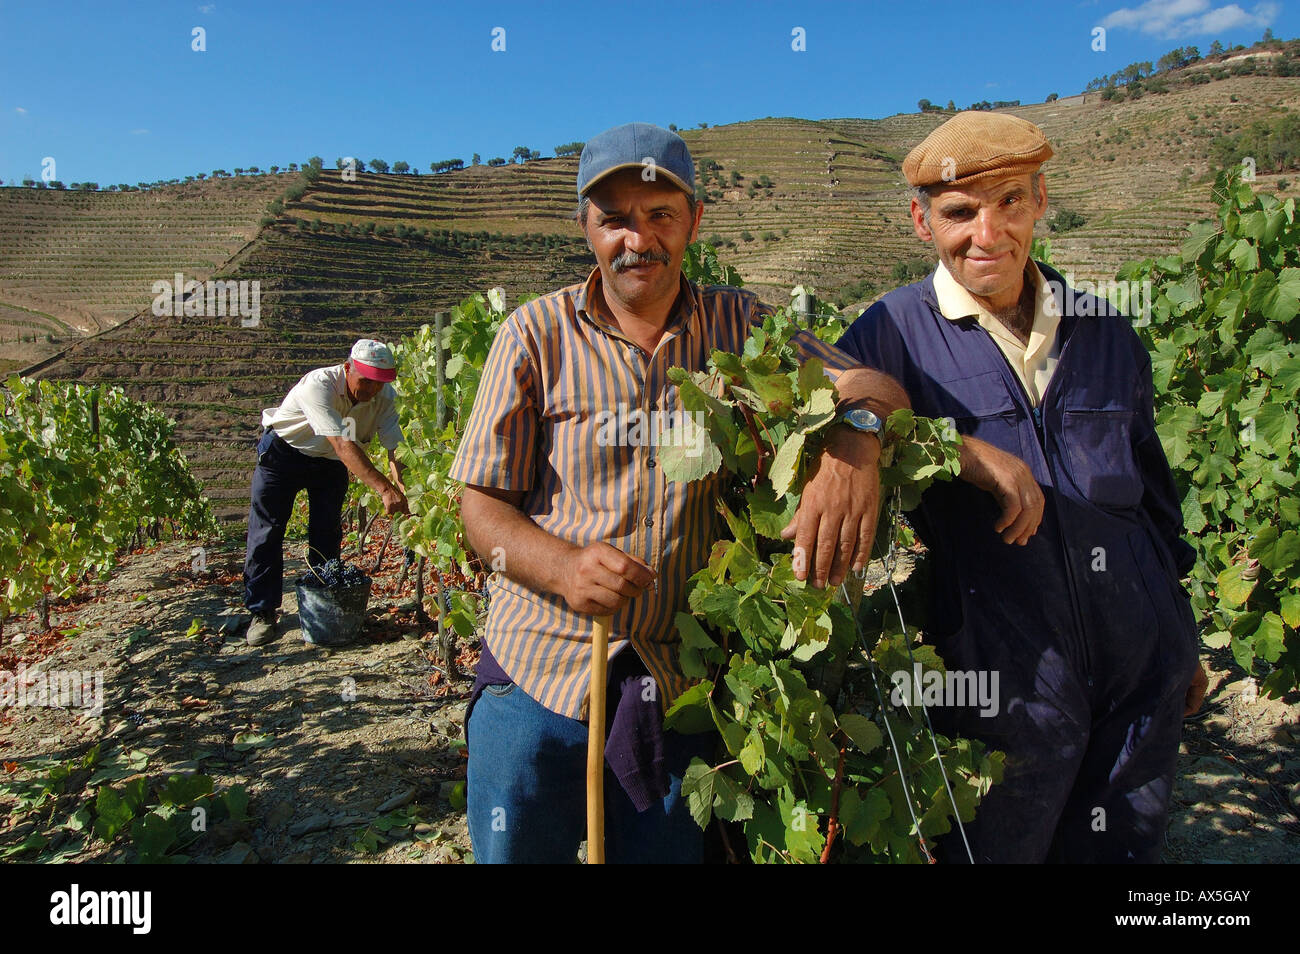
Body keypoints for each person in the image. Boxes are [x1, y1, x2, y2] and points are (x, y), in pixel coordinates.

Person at [449, 122, 910, 863]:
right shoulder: (532, 335)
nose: (639, 238)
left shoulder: (743, 325)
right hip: (540, 669)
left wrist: (854, 440)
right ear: (586, 230)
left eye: (660, 215)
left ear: (694, 222)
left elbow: (872, 384)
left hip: (676, 681)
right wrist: (563, 568)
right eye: (615, 220)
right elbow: (481, 508)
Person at [835, 111, 1209, 863]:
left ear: (1040, 199)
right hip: (1004, 689)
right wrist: (958, 448)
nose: (988, 232)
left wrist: (1183, 638)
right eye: (959, 212)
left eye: (1009, 201)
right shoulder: (893, 331)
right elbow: (836, 401)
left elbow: (1155, 506)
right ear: (921, 220)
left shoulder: (1105, 331)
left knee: (1121, 852)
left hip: (1141, 668)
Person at [242, 339, 410, 646]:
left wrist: (404, 490)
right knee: (267, 532)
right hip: (285, 454)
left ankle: (324, 601)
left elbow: (394, 449)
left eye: (379, 382)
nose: (372, 389)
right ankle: (262, 611)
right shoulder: (318, 385)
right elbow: (343, 444)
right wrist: (384, 489)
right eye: (365, 381)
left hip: (329, 463)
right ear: (347, 368)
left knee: (327, 533)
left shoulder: (385, 397)